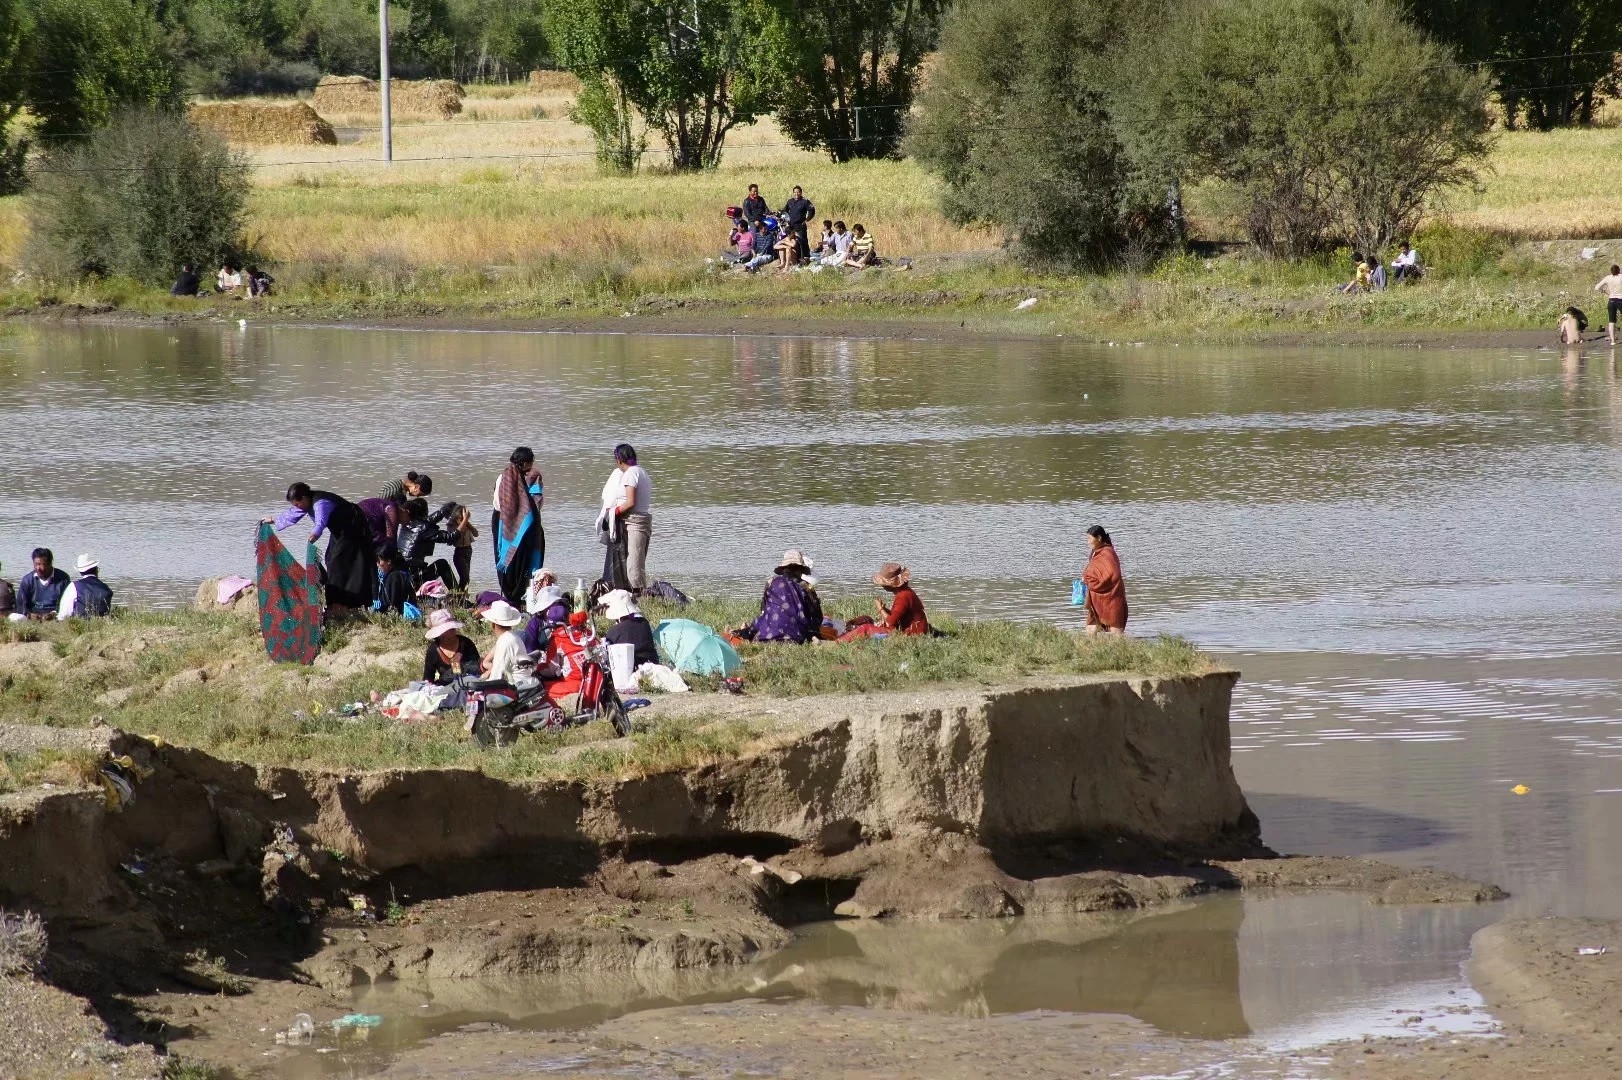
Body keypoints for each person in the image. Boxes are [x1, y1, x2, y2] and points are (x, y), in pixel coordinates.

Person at [271, 483, 375, 611]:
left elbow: (320, 521)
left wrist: (315, 534)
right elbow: (295, 512)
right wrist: (274, 519)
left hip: (352, 528)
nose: (297, 507)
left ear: (304, 498)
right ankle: (338, 601)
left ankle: (340, 602)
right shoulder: (307, 502)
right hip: (340, 531)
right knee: (330, 558)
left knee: (338, 563)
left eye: (297, 503)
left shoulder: (320, 503)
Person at [492, 446, 545, 606]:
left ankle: (510, 597)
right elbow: (537, 503)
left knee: (507, 557)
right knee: (525, 560)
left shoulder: (502, 477)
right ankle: (524, 597)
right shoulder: (533, 477)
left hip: (504, 524)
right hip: (526, 526)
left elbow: (498, 503)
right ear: (527, 462)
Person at [744, 551, 823, 644]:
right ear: (801, 570)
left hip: (768, 634)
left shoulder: (771, 582)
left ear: (784, 569)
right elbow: (817, 617)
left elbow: (764, 610)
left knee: (758, 624)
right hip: (797, 636)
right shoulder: (806, 586)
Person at [838, 563, 930, 641]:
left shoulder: (903, 596)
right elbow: (899, 616)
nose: (882, 586)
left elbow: (891, 622)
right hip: (906, 628)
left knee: (865, 628)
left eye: (884, 584)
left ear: (891, 584)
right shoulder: (905, 592)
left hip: (912, 634)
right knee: (866, 618)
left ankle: (838, 642)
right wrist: (885, 609)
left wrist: (880, 609)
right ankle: (844, 630)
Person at [606, 444, 652, 592]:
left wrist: (614, 511)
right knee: (632, 562)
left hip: (635, 522)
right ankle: (633, 595)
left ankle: (640, 597)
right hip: (636, 521)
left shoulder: (631, 474)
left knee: (634, 566)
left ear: (619, 459)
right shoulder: (641, 471)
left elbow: (630, 502)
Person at [396, 498, 457, 594]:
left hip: (403, 575)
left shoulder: (406, 525)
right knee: (442, 564)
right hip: (414, 578)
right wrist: (464, 521)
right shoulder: (423, 529)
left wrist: (443, 511)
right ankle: (459, 595)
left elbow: (426, 522)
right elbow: (450, 537)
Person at [541, 610, 598, 710]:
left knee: (543, 689)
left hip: (575, 682)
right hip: (595, 677)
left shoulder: (558, 639)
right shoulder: (589, 633)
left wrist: (537, 669)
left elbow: (551, 669)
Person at [1081, 525, 1128, 635]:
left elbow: (1113, 574)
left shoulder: (1108, 553)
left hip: (1112, 594)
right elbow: (1094, 569)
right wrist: (1087, 577)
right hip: (1096, 595)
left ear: (1099, 538)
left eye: (1089, 539)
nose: (1088, 542)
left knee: (1115, 626)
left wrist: (1091, 581)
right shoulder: (1095, 552)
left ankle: (1121, 650)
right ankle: (1090, 650)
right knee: (1091, 626)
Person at [600, 589, 658, 667]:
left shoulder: (615, 631)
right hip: (653, 663)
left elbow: (608, 654)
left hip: (632, 667)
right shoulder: (644, 622)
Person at [422, 609, 481, 685]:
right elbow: (428, 678)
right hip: (446, 689)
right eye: (444, 631)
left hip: (469, 684)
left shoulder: (466, 643)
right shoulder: (433, 650)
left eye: (451, 630)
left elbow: (476, 667)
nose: (449, 634)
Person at [479, 599, 528, 682]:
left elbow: (496, 677)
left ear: (493, 624)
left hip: (516, 687)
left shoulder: (505, 642)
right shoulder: (512, 637)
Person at [17, 548, 71, 621]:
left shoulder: (63, 579)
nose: (38, 568)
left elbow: (67, 603)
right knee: (14, 617)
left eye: (41, 564)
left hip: (56, 615)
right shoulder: (27, 580)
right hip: (33, 615)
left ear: (50, 563)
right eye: (36, 564)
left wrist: (54, 613)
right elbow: (21, 604)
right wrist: (29, 615)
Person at [57, 553, 113, 620]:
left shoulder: (73, 586)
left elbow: (63, 615)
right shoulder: (106, 588)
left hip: (79, 627)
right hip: (102, 627)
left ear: (80, 572)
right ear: (96, 570)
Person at [780, 185, 815, 265]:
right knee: (792, 242)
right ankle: (794, 259)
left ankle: (805, 258)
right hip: (791, 226)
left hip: (800, 226)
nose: (796, 194)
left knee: (802, 242)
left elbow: (812, 210)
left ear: (801, 193)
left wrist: (807, 220)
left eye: (798, 192)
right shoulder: (790, 201)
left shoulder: (805, 201)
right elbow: (785, 211)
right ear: (793, 193)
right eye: (795, 192)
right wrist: (783, 217)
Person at [375, 548, 412, 616]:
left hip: (398, 615)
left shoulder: (393, 577)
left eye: (379, 561)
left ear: (389, 561)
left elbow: (390, 603)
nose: (377, 565)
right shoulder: (401, 572)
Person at [1594, 264, 1622, 345]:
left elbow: (1596, 288)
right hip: (1620, 300)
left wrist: (1604, 291)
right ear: (1619, 270)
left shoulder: (1608, 278)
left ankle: (1613, 341)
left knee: (1611, 321)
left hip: (1611, 300)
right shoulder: (1621, 277)